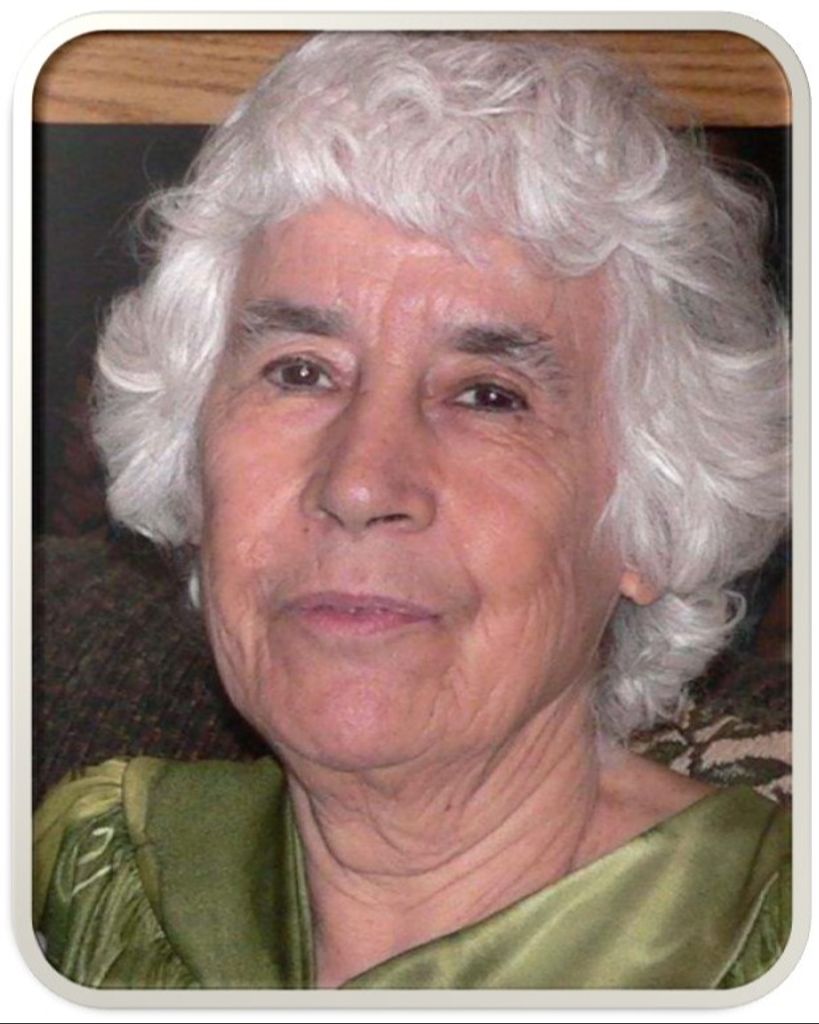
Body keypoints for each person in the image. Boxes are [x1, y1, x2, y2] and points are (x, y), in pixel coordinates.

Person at [34, 32, 790, 990]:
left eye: (487, 395)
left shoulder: (766, 945)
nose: (359, 483)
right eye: (300, 372)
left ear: (654, 509)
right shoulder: (94, 879)